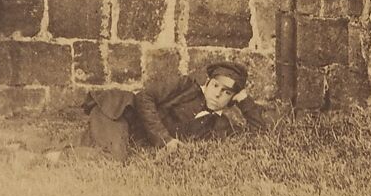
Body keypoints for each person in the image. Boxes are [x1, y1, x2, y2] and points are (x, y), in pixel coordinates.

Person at [80, 60, 263, 162]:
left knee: (104, 152)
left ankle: (59, 153)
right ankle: (57, 157)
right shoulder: (185, 87)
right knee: (113, 158)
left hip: (130, 137)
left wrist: (245, 101)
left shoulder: (219, 125)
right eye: (215, 85)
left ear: (232, 100)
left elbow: (260, 134)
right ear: (207, 83)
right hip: (120, 111)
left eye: (227, 92)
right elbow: (144, 97)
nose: (218, 94)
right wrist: (165, 140)